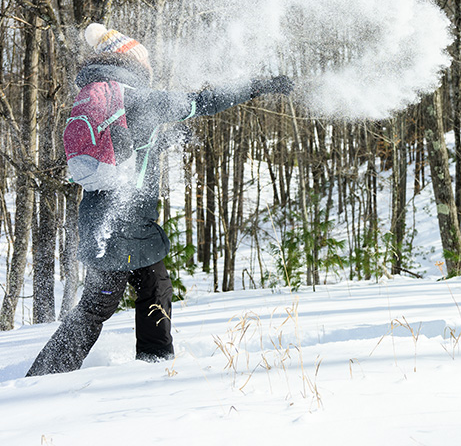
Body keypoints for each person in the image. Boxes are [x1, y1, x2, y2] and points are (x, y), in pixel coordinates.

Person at [27, 23, 293, 376]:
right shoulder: (139, 97)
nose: (149, 66)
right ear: (132, 63)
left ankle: (154, 367)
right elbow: (204, 100)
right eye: (145, 60)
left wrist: (166, 140)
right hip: (121, 223)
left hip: (107, 219)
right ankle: (44, 377)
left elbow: (130, 148)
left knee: (155, 288)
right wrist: (257, 86)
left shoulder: (101, 97)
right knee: (98, 305)